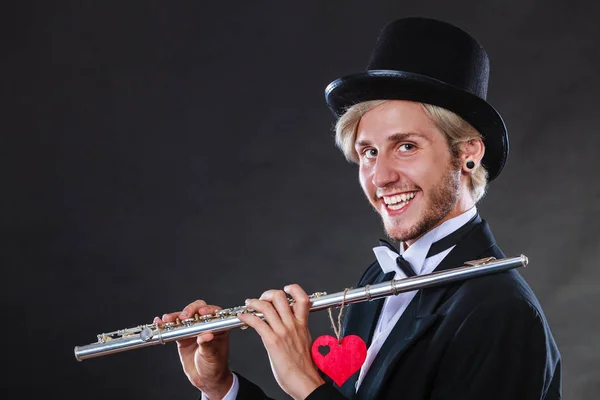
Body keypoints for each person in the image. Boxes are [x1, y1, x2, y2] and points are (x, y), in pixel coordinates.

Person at [156, 17, 562, 399]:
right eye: (368, 152)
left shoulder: (503, 313)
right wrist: (221, 387)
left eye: (406, 146)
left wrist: (305, 383)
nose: (381, 176)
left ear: (467, 154)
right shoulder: (378, 279)